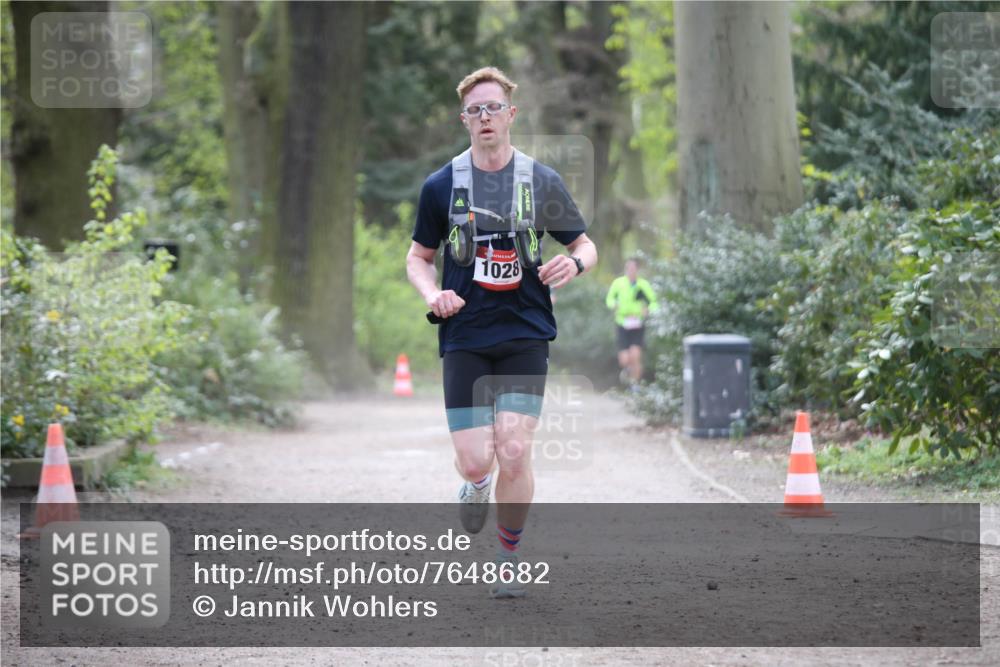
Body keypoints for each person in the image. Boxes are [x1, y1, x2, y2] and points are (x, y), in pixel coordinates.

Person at [406, 67, 597, 598]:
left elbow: (584, 245)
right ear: (464, 120)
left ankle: (507, 558)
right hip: (464, 335)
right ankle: (475, 483)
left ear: (511, 115)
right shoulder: (441, 185)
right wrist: (432, 294)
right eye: (475, 110)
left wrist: (574, 264)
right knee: (477, 459)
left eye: (493, 108)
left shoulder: (542, 180)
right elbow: (419, 258)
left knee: (514, 449)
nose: (485, 117)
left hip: (525, 332)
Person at [606, 258, 658, 386]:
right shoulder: (618, 283)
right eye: (628, 268)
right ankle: (628, 372)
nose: (631, 271)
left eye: (633, 268)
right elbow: (609, 299)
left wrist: (648, 310)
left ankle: (635, 385)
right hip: (622, 323)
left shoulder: (643, 285)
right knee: (624, 359)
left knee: (635, 356)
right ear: (625, 269)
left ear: (637, 270)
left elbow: (654, 303)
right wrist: (614, 305)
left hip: (637, 324)